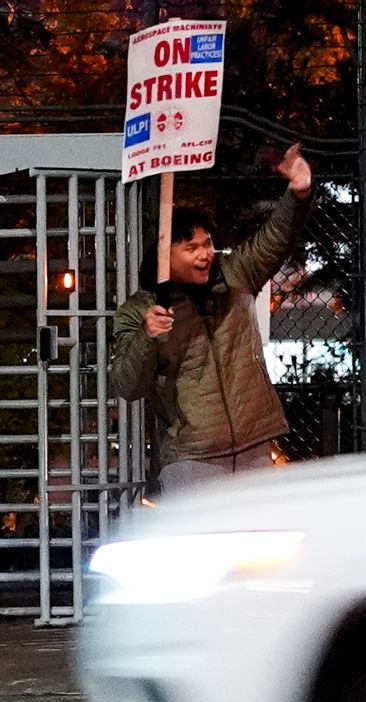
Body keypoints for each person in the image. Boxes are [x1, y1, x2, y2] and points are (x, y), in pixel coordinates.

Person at [113, 141, 313, 491]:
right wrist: (147, 336)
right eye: (191, 248)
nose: (205, 254)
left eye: (207, 244)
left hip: (254, 444)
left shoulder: (235, 276)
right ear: (165, 254)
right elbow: (128, 385)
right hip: (191, 458)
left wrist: (298, 193)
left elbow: (274, 238)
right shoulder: (140, 310)